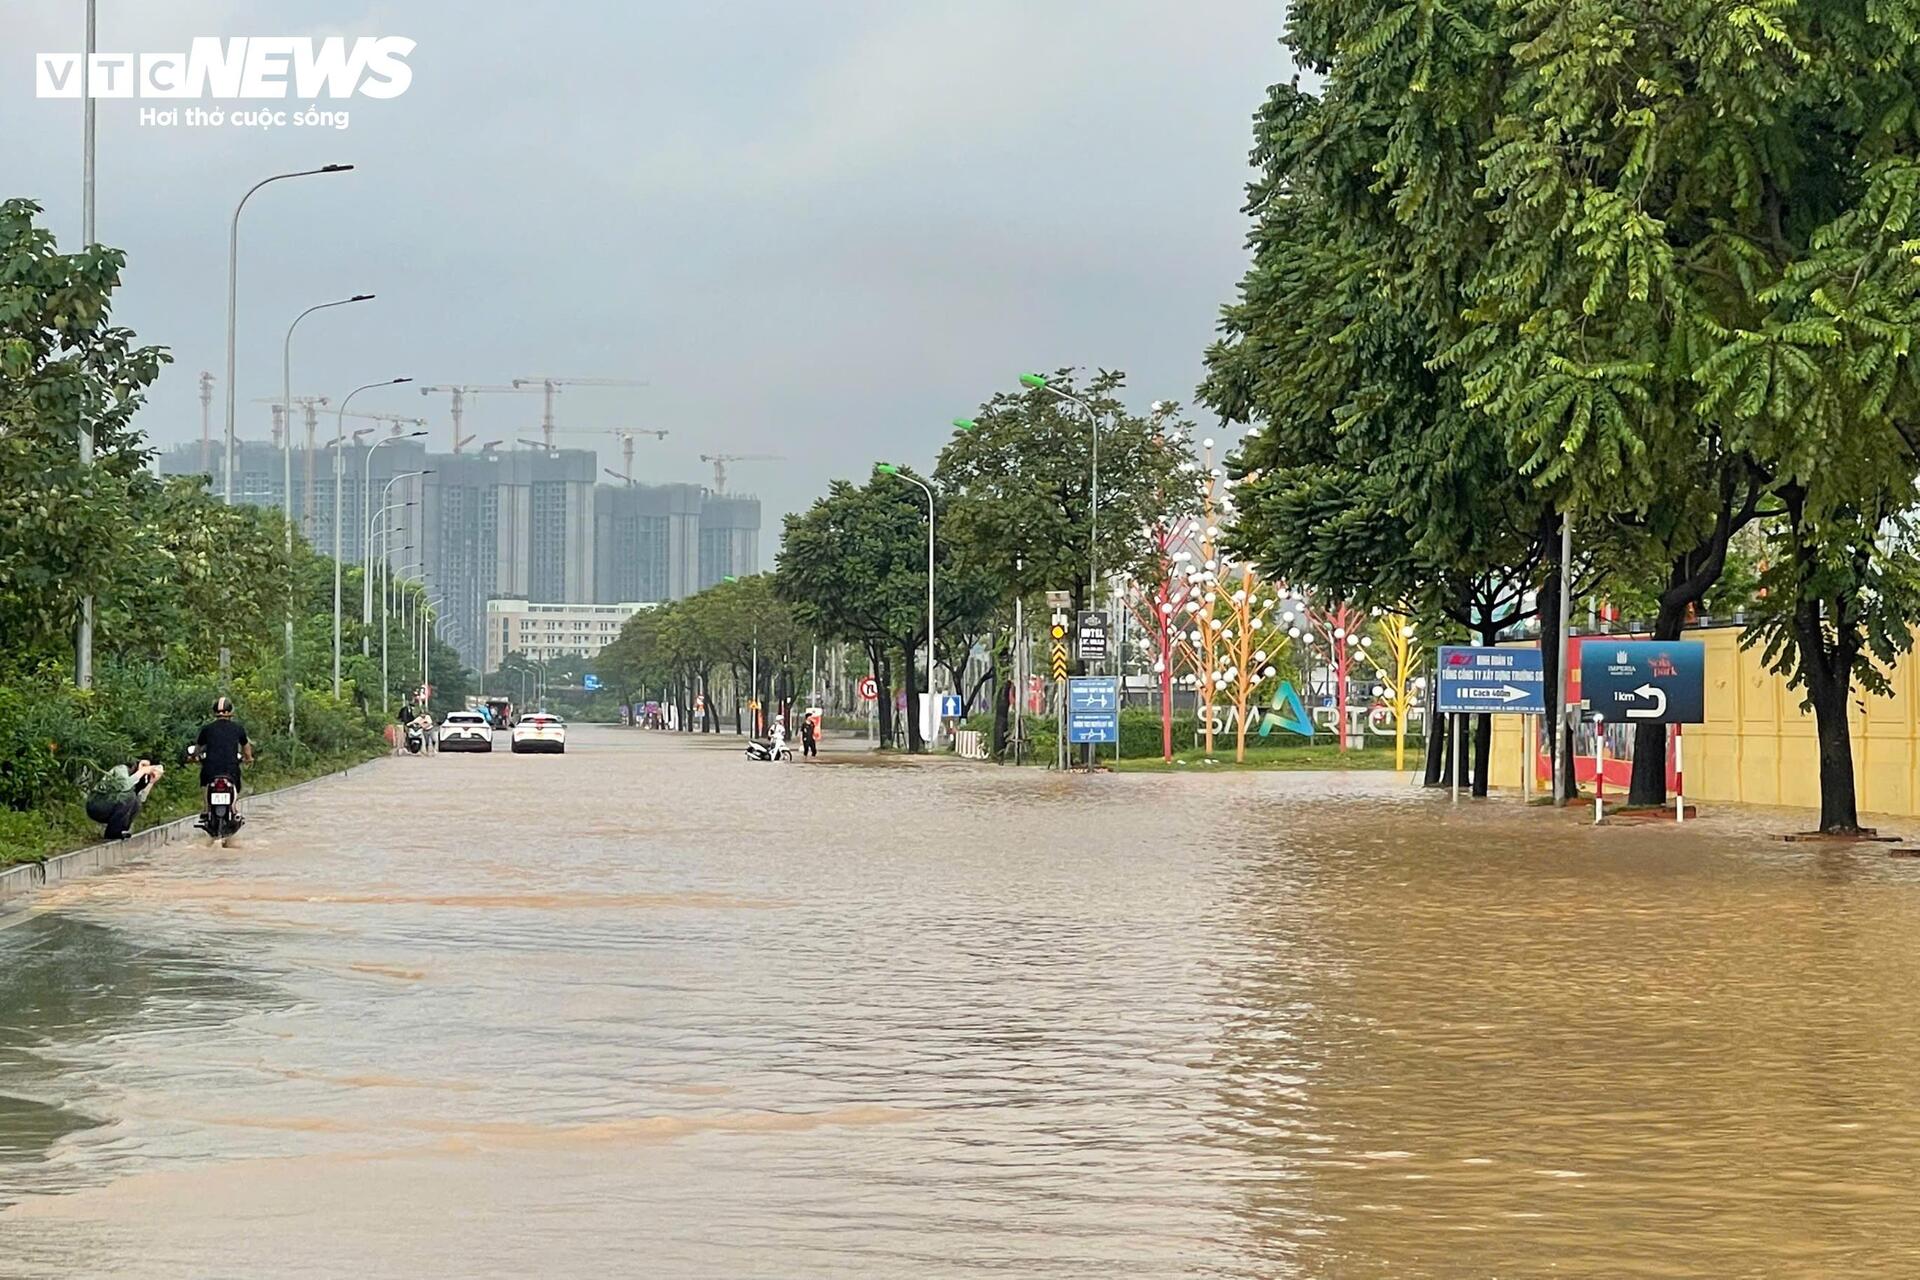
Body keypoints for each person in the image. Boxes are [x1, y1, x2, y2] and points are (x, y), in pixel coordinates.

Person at [191, 696, 253, 811]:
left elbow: (198, 747)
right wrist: (248, 758)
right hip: (231, 767)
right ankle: (233, 808)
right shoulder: (237, 728)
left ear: (215, 712)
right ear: (230, 711)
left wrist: (194, 756)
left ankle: (207, 809)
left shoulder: (207, 729)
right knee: (236, 784)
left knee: (205, 783)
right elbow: (246, 745)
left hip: (210, 767)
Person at [86, 758, 164, 841]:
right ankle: (112, 833)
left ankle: (121, 830)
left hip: (110, 804)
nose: (145, 768)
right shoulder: (121, 769)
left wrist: (151, 782)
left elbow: (141, 799)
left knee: (136, 800)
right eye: (143, 765)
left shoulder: (140, 777)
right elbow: (124, 786)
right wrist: (142, 771)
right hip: (97, 804)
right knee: (129, 795)